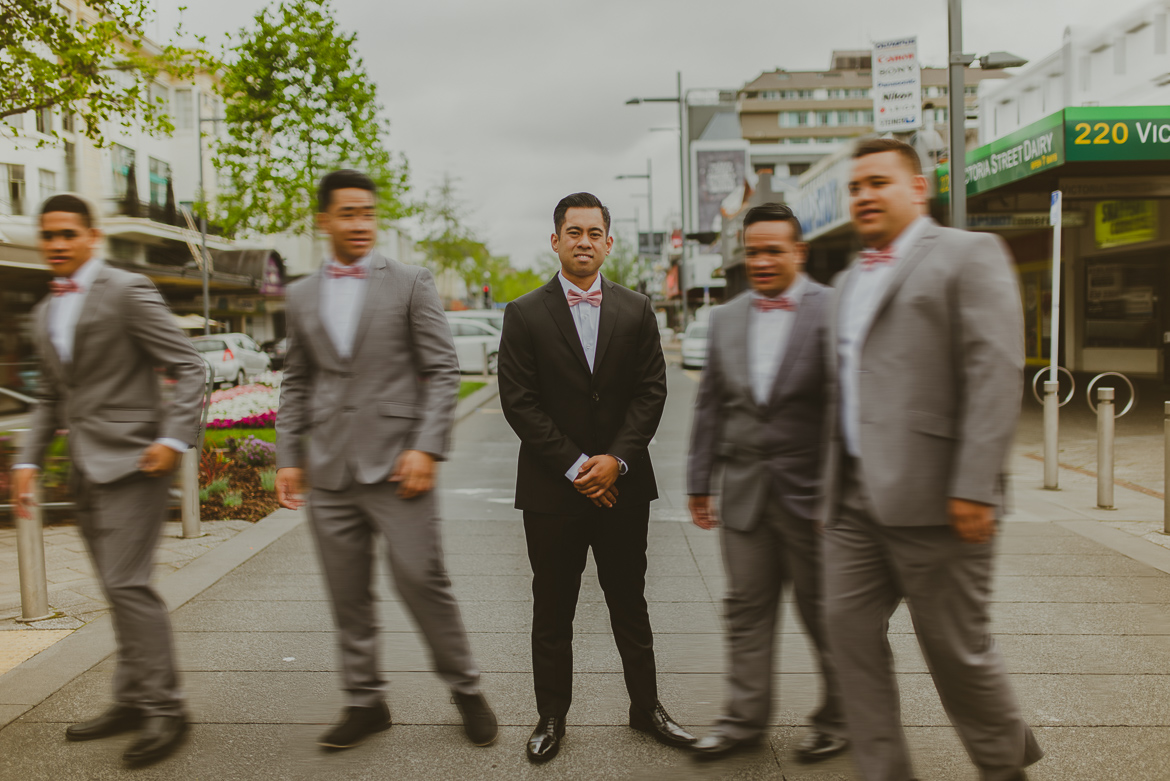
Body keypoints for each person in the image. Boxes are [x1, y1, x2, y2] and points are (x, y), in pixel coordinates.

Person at [823, 138, 1042, 781]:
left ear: (918, 189)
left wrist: (976, 484)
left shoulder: (968, 254)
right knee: (846, 633)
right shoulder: (845, 280)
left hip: (940, 497)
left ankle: (1004, 765)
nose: (863, 194)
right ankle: (885, 770)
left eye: (878, 182)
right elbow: (844, 389)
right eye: (855, 185)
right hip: (855, 500)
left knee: (955, 652)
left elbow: (994, 369)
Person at [274, 169, 496, 751]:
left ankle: (466, 687)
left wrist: (426, 446)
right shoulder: (298, 295)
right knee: (346, 592)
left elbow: (444, 369)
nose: (359, 223)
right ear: (324, 220)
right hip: (329, 470)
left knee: (424, 580)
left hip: (400, 467)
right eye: (347, 213)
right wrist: (287, 454)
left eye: (367, 213)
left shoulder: (409, 281)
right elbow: (297, 381)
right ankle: (365, 701)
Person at [498, 192, 695, 763]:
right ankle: (552, 716)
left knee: (629, 601)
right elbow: (520, 402)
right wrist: (577, 466)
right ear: (555, 240)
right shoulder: (524, 314)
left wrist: (617, 460)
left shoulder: (637, 310)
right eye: (573, 231)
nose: (583, 241)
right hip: (550, 492)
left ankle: (646, 707)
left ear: (610, 242)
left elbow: (650, 392)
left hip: (624, 488)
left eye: (594, 232)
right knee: (552, 607)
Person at [11, 193, 206, 766]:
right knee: (116, 590)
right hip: (84, 473)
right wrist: (27, 461)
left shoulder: (126, 291)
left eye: (68, 234)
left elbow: (189, 364)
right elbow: (51, 396)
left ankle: (168, 708)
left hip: (136, 464)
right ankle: (133, 697)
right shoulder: (45, 313)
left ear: (91, 236)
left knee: (128, 586)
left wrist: (172, 440)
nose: (57, 245)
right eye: (49, 235)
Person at [686, 202, 847, 762]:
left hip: (814, 500)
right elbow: (710, 404)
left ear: (798, 252)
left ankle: (840, 715)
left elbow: (842, 407)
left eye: (773, 249)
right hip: (746, 495)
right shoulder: (727, 318)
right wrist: (699, 478)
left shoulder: (832, 310)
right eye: (752, 251)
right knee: (745, 610)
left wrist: (838, 490)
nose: (761, 260)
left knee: (825, 613)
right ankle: (743, 720)